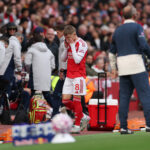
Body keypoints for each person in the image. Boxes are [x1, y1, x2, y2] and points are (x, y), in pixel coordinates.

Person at [109, 5, 150, 134]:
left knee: (124, 98)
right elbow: (143, 45)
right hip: (137, 65)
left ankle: (123, 127)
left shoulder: (117, 30)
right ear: (135, 15)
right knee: (145, 96)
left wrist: (114, 68)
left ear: (123, 16)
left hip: (123, 66)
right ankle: (149, 125)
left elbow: (111, 53)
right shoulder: (137, 27)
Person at [61, 25, 89, 133]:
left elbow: (77, 60)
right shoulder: (69, 43)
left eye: (69, 38)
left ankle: (77, 125)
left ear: (74, 34)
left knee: (77, 101)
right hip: (69, 75)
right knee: (65, 100)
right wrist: (66, 47)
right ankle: (82, 116)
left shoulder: (82, 44)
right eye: (66, 38)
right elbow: (63, 59)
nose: (68, 40)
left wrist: (72, 46)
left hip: (79, 75)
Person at [24, 34, 55, 115]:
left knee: (32, 95)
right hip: (46, 76)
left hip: (35, 76)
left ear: (34, 41)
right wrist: (47, 71)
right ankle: (56, 111)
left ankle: (26, 113)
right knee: (47, 94)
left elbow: (27, 63)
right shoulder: (49, 51)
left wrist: (29, 71)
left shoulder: (31, 50)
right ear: (42, 41)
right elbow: (53, 66)